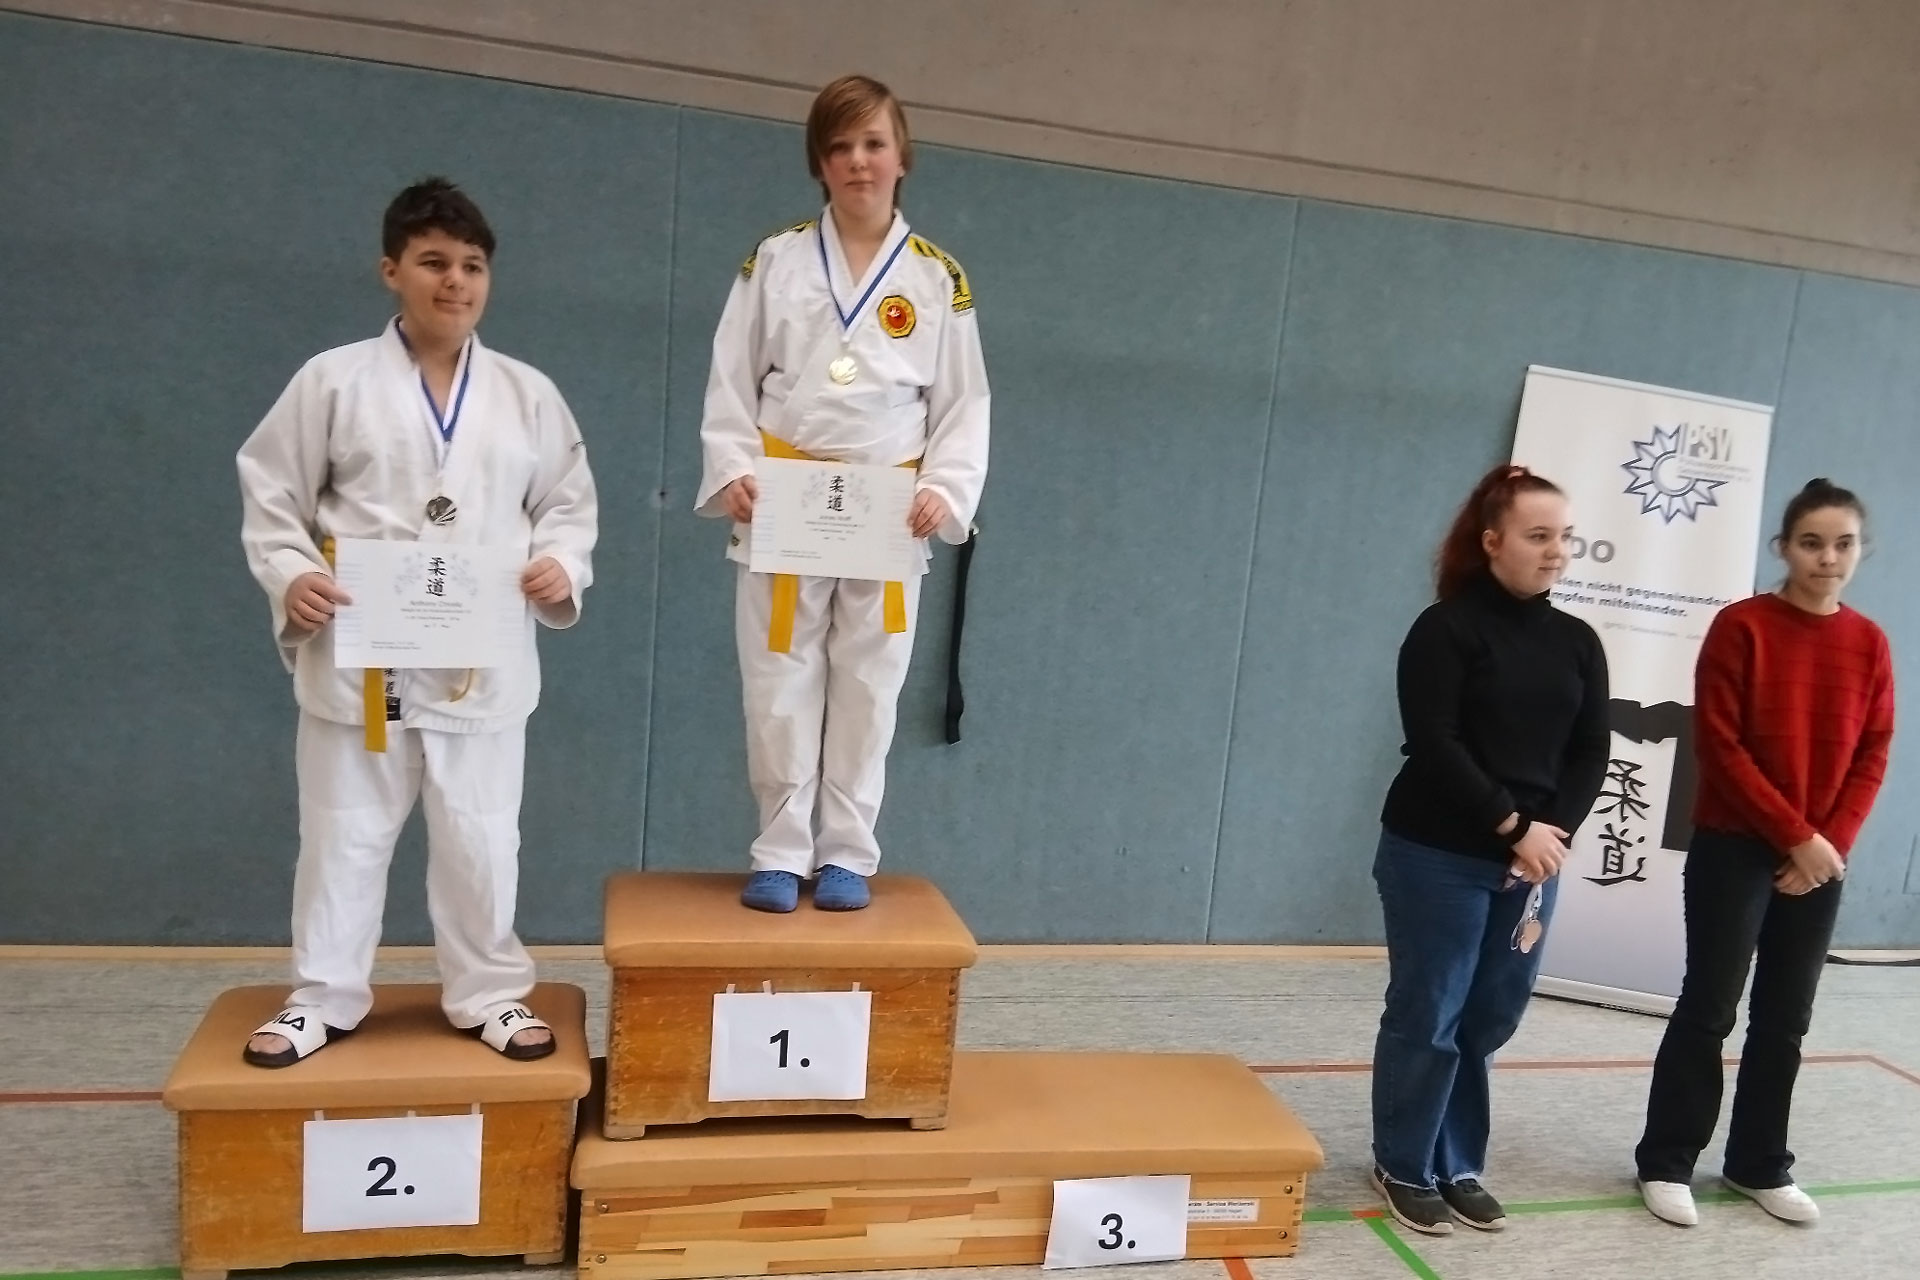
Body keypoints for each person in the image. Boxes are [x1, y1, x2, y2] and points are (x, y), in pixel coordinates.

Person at [235, 178, 598, 1065]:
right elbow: (272, 491)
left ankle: (491, 994)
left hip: (479, 661)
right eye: (434, 262)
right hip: (364, 657)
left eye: (472, 265)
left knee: (482, 839)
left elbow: (568, 505)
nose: (455, 281)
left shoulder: (527, 394)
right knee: (342, 836)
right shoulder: (332, 380)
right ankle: (322, 995)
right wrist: (291, 573)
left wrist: (562, 564)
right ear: (391, 270)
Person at [695, 75, 990, 913]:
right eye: (840, 146)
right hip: (785, 496)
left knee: (869, 683)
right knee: (777, 679)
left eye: (873, 143)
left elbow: (964, 403)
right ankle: (780, 849)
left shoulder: (936, 278)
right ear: (819, 163)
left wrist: (944, 486)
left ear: (902, 157)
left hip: (887, 509)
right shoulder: (775, 260)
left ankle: (848, 854)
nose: (858, 160)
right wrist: (734, 465)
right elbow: (730, 375)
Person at [1636, 479, 1894, 1226]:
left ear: (1861, 550)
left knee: (1785, 1018)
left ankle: (1758, 1163)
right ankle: (1667, 1160)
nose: (1827, 559)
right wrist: (1796, 838)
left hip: (1820, 859)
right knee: (1711, 1005)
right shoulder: (1741, 626)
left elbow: (1873, 751)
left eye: (1842, 544)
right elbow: (1721, 747)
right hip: (1735, 848)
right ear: (1783, 548)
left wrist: (1828, 846)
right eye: (1811, 543)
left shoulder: (1870, 643)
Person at [1370, 464, 1611, 1235]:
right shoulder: (1445, 629)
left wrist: (1550, 835)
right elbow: (1434, 741)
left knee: (1489, 1015)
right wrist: (1513, 827)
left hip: (1533, 862)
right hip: (1437, 854)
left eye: (1564, 537)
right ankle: (1404, 1162)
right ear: (1491, 541)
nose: (1556, 551)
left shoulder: (1578, 642)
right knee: (1430, 1011)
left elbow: (1591, 750)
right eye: (1538, 536)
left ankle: (1457, 1162)